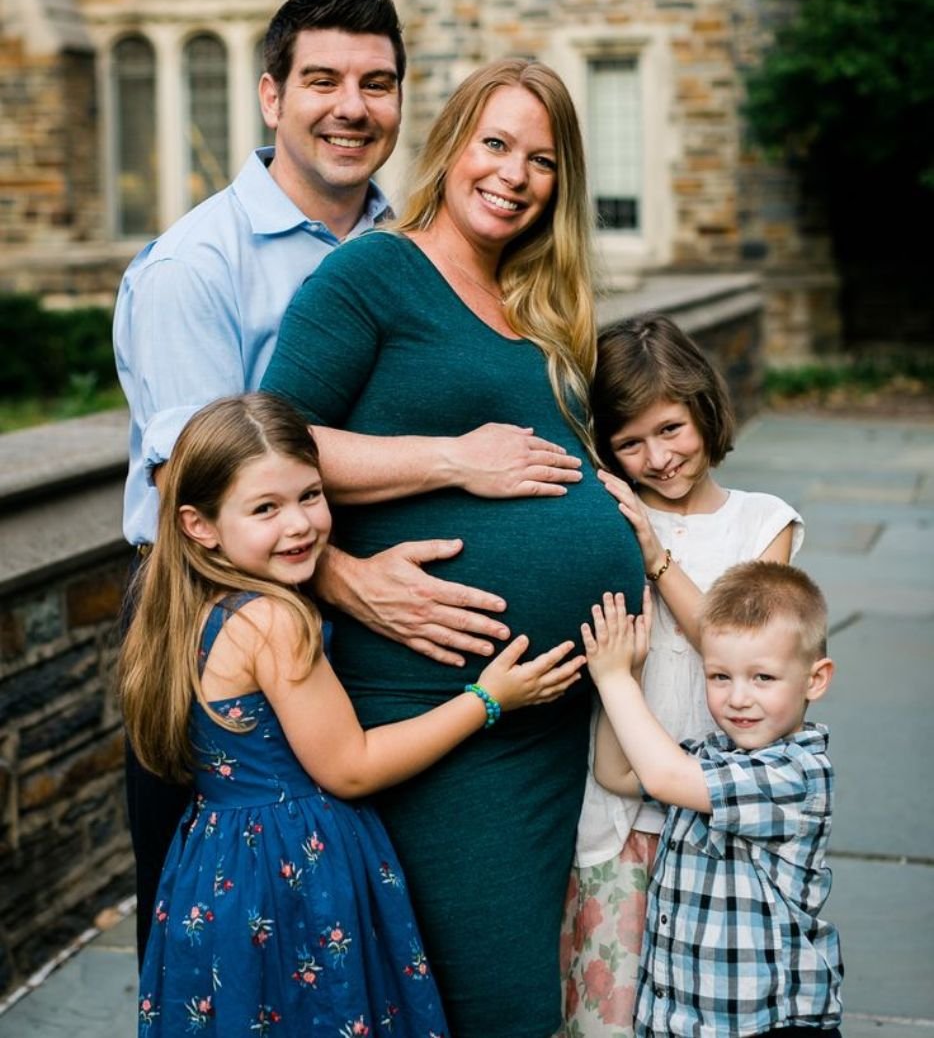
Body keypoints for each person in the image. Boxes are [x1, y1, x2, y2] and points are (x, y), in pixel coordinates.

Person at [113, 0, 574, 960]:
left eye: (378, 82)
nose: (352, 106)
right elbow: (199, 489)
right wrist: (353, 579)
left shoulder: (414, 245)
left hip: (348, 661)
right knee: (211, 932)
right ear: (271, 95)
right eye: (322, 80)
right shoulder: (194, 268)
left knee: (325, 931)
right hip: (208, 644)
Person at [260, 58, 645, 1037]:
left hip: (551, 719)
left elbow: (551, 462)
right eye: (496, 144)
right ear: (454, 145)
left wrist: (615, 504)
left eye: (543, 160)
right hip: (438, 710)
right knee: (493, 1002)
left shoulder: (539, 307)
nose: (515, 174)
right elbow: (264, 446)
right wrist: (448, 462)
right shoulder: (377, 273)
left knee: (523, 991)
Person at [121, 392, 587, 1037]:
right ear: (199, 524)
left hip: (215, 866)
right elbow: (351, 767)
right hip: (293, 870)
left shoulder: (184, 608)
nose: (300, 525)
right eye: (265, 508)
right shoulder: (274, 620)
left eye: (310, 495)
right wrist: (487, 700)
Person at [562, 313, 806, 1034]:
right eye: (630, 442)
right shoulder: (611, 510)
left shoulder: (763, 524)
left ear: (703, 407)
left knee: (713, 1007)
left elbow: (739, 645)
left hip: (717, 813)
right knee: (609, 1003)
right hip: (619, 808)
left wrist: (656, 556)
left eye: (670, 428)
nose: (657, 456)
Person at [582, 563, 843, 1037]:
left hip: (765, 1024)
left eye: (762, 678)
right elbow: (616, 772)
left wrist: (613, 678)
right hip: (682, 1020)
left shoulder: (796, 773)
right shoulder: (710, 757)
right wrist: (633, 675)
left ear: (815, 679)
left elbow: (662, 777)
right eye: (720, 676)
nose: (738, 698)